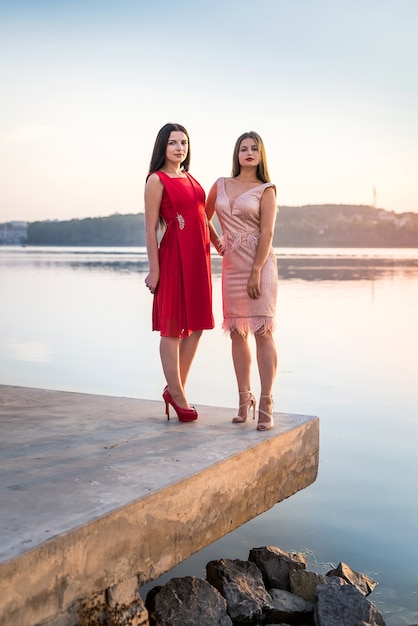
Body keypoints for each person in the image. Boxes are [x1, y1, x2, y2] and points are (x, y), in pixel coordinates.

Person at [205, 131, 278, 431]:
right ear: (236, 154)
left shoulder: (266, 189)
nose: (248, 153)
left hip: (259, 267)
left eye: (254, 149)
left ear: (261, 156)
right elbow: (202, 216)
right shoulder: (220, 184)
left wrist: (256, 270)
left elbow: (267, 233)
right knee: (237, 333)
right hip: (233, 267)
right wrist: (218, 244)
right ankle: (243, 399)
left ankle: (267, 401)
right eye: (243, 148)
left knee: (263, 332)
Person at [144, 123, 214, 422]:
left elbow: (201, 213)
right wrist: (154, 270)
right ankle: (177, 391)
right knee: (172, 326)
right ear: (163, 147)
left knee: (197, 325)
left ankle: (175, 389)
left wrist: (217, 238)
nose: (179, 148)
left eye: (184, 143)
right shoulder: (156, 180)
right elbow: (150, 228)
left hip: (200, 255)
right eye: (173, 143)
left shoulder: (189, 177)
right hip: (174, 255)